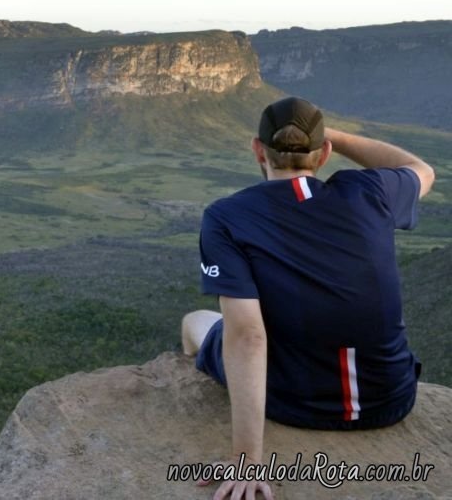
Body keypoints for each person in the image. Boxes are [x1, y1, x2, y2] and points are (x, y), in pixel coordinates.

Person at [181, 96, 435, 500]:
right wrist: (329, 134)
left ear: (257, 149)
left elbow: (248, 336)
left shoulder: (226, 216)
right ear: (325, 154)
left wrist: (247, 459)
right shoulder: (371, 190)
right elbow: (421, 170)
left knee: (195, 322)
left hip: (292, 404)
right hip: (390, 398)